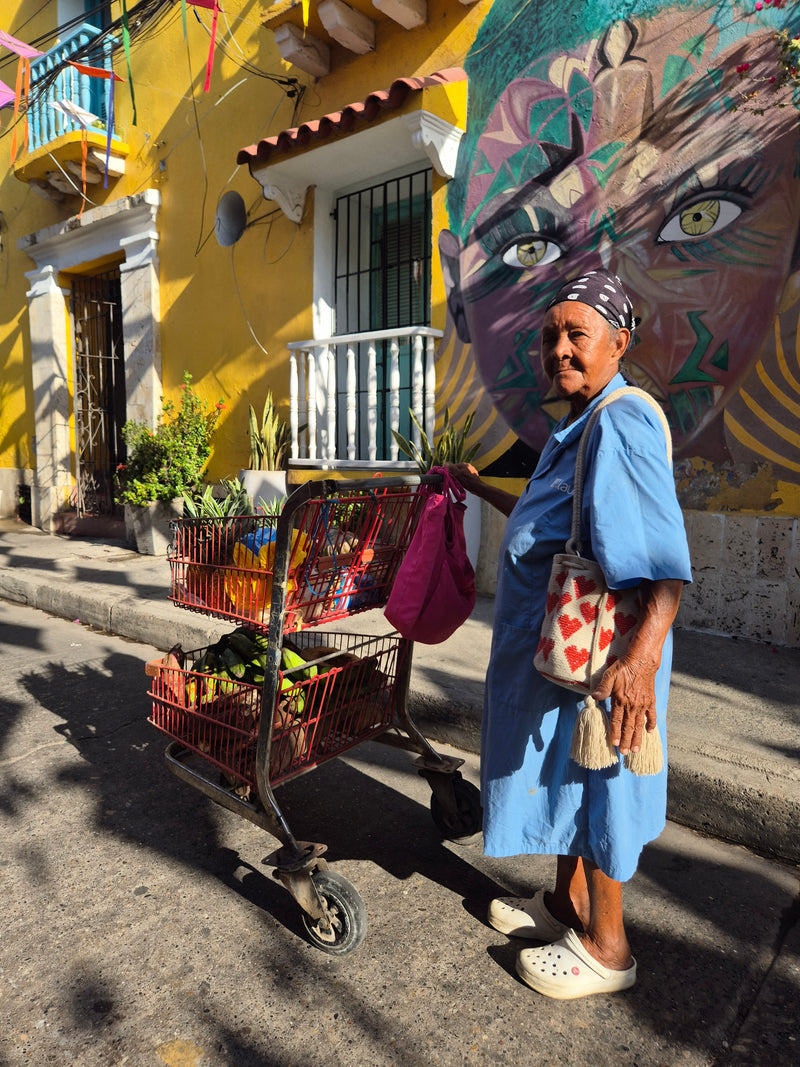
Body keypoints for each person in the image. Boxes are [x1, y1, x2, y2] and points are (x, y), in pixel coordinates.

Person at [449, 269, 692, 1000]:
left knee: (601, 781)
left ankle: (608, 948)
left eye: (577, 334)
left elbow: (666, 563)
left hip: (609, 656)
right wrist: (473, 481)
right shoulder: (579, 424)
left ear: (618, 342)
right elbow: (542, 511)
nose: (559, 348)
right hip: (564, 650)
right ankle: (564, 905)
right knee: (565, 769)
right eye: (551, 335)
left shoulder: (621, 420)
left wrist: (641, 660)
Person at [439, 0, 800, 477]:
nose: (611, 322)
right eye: (531, 248)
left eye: (700, 218)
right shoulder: (557, 464)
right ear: (457, 294)